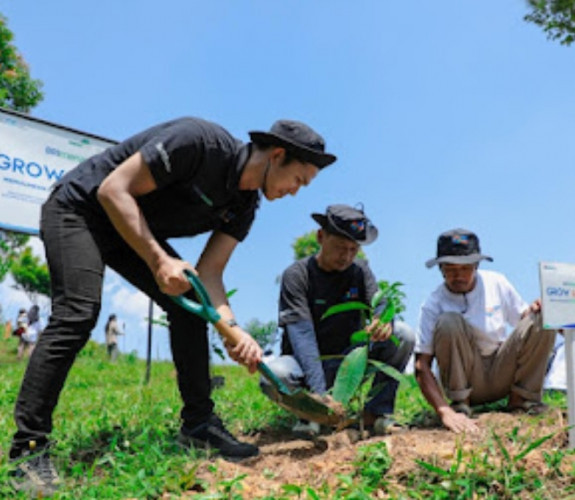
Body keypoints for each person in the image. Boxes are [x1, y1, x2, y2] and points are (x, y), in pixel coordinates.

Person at [9, 117, 336, 495]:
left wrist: (235, 332)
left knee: (188, 305)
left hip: (126, 231)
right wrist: (158, 260)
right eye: (299, 179)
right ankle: (28, 449)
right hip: (80, 209)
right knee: (78, 312)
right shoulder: (199, 143)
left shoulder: (243, 206)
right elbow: (113, 190)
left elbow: (209, 275)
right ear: (277, 156)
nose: (296, 191)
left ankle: (199, 427)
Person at [261, 204, 415, 437]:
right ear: (321, 237)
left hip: (347, 364)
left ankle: (376, 414)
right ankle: (310, 415)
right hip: (305, 367)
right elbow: (302, 337)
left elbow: (379, 302)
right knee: (275, 375)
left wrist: (383, 320)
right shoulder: (297, 276)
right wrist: (319, 395)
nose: (346, 256)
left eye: (354, 249)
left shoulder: (360, 271)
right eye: (340, 248)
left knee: (402, 335)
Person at [414, 228, 555, 434]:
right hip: (466, 377)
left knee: (543, 317)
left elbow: (524, 321)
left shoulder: (496, 282)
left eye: (465, 268)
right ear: (441, 269)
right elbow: (421, 365)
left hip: (502, 370)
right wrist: (444, 411)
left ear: (476, 266)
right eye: (451, 269)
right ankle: (461, 404)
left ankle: (522, 400)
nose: (458, 275)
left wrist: (538, 310)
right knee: (448, 322)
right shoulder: (433, 303)